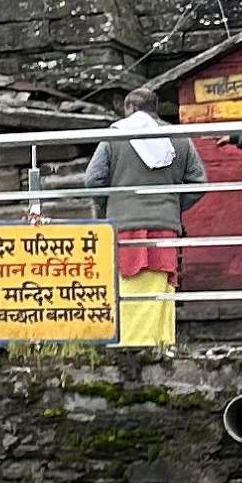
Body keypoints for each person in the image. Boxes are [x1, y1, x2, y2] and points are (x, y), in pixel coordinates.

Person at [80, 94, 209, 348]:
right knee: (161, 288)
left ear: (129, 107)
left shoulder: (115, 136)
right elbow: (198, 182)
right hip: (165, 227)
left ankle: (131, 346)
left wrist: (111, 205)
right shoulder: (178, 138)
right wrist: (173, 205)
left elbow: (92, 179)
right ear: (156, 109)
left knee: (129, 289)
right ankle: (162, 344)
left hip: (123, 227)